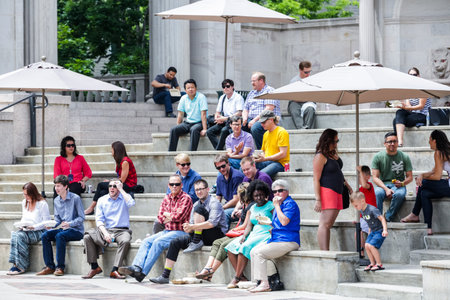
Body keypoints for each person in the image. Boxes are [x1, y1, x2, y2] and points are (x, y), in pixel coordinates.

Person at [149, 179, 228, 284]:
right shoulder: (195, 204)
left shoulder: (214, 203)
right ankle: (165, 276)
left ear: (208, 189)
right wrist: (187, 227)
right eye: (196, 190)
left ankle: (196, 241)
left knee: (200, 210)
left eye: (201, 189)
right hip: (200, 234)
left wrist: (192, 226)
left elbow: (212, 223)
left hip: (216, 234)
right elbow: (191, 223)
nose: (199, 192)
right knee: (175, 242)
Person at [118, 175, 193, 282]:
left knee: (158, 242)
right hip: (167, 231)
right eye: (172, 184)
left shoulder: (186, 198)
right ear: (169, 185)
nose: (174, 186)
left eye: (177, 184)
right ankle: (136, 267)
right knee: (146, 241)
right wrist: (170, 216)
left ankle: (142, 273)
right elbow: (161, 218)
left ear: (182, 185)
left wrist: (169, 215)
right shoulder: (167, 198)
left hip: (181, 232)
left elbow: (179, 216)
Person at [194, 182, 253, 281]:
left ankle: (211, 271)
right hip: (239, 232)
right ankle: (207, 269)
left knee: (224, 245)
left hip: (246, 233)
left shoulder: (251, 206)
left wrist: (233, 229)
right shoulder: (244, 205)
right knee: (216, 242)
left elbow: (245, 226)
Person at [249, 179, 300, 293]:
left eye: (280, 191)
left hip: (289, 241)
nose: (277, 194)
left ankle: (265, 284)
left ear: (286, 191)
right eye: (275, 192)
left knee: (259, 253)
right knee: (253, 251)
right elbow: (277, 224)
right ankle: (258, 282)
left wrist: (276, 206)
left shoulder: (289, 204)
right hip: (277, 239)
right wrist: (267, 222)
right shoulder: (278, 205)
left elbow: (284, 222)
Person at [225, 180, 274, 288]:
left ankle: (236, 278)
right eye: (256, 195)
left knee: (245, 247)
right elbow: (249, 225)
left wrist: (268, 223)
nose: (259, 198)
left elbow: (276, 222)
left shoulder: (271, 206)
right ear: (252, 195)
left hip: (265, 233)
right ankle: (242, 276)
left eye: (261, 195)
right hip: (254, 233)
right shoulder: (252, 207)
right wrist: (244, 236)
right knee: (230, 247)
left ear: (266, 194)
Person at [82, 179, 135, 279]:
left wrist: (122, 190)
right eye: (110, 186)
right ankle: (94, 267)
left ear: (119, 188)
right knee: (87, 237)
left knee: (125, 241)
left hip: (122, 230)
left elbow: (132, 203)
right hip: (107, 229)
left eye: (115, 186)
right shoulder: (102, 199)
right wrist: (105, 233)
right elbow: (99, 220)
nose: (112, 188)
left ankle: (115, 270)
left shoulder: (124, 198)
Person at [401, 130, 450, 235]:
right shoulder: (445, 151)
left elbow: (437, 176)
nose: (428, 142)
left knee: (425, 184)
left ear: (434, 140)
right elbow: (434, 171)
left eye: (429, 139)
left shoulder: (439, 153)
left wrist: (422, 179)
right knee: (425, 193)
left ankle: (415, 213)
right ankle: (429, 228)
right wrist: (422, 175)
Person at [36, 175, 85, 276]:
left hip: (76, 230)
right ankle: (49, 266)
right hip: (63, 229)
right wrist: (52, 226)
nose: (56, 188)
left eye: (59, 186)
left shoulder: (75, 198)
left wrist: (70, 224)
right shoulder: (56, 200)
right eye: (55, 186)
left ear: (66, 186)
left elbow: (81, 218)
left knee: (59, 236)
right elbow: (58, 220)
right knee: (45, 235)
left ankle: (60, 267)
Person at [313, 129, 352, 250]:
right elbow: (316, 179)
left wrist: (349, 188)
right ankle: (324, 252)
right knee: (325, 224)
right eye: (335, 141)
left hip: (338, 190)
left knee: (328, 224)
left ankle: (326, 251)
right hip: (328, 191)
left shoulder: (331, 153)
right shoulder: (320, 156)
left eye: (337, 141)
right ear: (328, 140)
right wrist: (318, 199)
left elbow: (338, 172)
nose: (336, 143)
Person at [152, 153, 202, 235]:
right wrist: (170, 214)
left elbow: (192, 197)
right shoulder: (175, 178)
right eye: (183, 164)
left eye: (188, 164)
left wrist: (170, 215)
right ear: (177, 165)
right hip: (174, 209)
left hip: (189, 209)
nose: (186, 166)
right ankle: (157, 238)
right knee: (158, 222)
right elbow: (169, 196)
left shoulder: (196, 177)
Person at [7, 182, 51, 275]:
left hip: (40, 231)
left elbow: (46, 222)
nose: (25, 197)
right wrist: (21, 225)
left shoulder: (42, 204)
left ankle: (21, 266)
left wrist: (33, 227)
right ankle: (15, 264)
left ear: (33, 193)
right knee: (14, 234)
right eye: (24, 194)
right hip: (27, 230)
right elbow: (24, 218)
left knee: (19, 236)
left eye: (27, 194)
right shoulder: (24, 202)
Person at [85, 141, 137, 215]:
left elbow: (122, 180)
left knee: (100, 185)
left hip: (129, 185)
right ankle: (106, 211)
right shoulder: (119, 161)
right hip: (122, 183)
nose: (110, 151)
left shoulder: (125, 161)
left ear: (116, 150)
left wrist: (110, 182)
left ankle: (91, 208)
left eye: (112, 149)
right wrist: (110, 181)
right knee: (103, 192)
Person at [372, 132, 413, 222]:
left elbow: (410, 177)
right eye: (390, 142)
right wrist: (386, 189)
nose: (392, 144)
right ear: (385, 143)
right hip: (382, 184)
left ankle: (387, 217)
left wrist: (402, 183)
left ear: (398, 143)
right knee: (377, 193)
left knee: (400, 194)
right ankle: (378, 219)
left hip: (399, 185)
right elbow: (375, 177)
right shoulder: (378, 157)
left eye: (395, 141)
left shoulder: (404, 157)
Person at [392, 67, 432, 147]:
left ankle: (398, 141)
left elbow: (421, 106)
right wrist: (402, 105)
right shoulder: (409, 89)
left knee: (396, 121)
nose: (412, 76)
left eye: (415, 74)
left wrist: (407, 108)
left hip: (423, 115)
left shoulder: (423, 87)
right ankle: (399, 141)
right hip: (413, 114)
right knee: (399, 112)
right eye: (410, 75)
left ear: (419, 76)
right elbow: (409, 106)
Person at [350, 192, 388, 272]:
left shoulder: (372, 209)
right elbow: (369, 222)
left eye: (356, 205)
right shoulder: (362, 211)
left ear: (362, 201)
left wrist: (385, 230)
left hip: (379, 231)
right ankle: (372, 263)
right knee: (366, 245)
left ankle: (379, 264)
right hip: (373, 231)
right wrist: (370, 231)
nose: (355, 208)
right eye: (354, 206)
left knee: (371, 246)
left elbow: (382, 219)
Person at [242, 72, 280, 150]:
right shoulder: (252, 93)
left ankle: (262, 150)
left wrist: (254, 120)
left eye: (254, 81)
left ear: (261, 81)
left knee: (255, 128)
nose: (252, 83)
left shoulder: (269, 91)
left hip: (267, 119)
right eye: (251, 81)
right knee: (237, 126)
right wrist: (244, 119)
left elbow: (268, 109)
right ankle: (243, 150)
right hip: (251, 119)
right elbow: (245, 109)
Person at [168, 79, 208, 151]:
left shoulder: (201, 97)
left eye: (192, 87)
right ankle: (171, 153)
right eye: (188, 88)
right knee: (174, 130)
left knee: (194, 129)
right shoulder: (183, 98)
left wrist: (205, 129)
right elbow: (180, 114)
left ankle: (191, 153)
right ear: (185, 90)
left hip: (199, 123)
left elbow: (203, 114)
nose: (190, 89)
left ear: (196, 88)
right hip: (188, 123)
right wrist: (178, 126)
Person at [207, 79, 244, 150]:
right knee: (209, 131)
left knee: (224, 130)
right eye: (223, 87)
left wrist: (225, 118)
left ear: (232, 86)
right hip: (223, 121)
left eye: (227, 86)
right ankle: (220, 150)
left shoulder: (238, 97)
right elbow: (217, 111)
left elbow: (239, 113)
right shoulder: (222, 97)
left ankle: (218, 151)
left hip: (233, 121)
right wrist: (217, 118)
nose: (225, 88)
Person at [254, 110, 290, 178]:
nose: (262, 124)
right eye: (261, 122)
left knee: (261, 175)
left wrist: (265, 158)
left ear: (271, 120)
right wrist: (258, 158)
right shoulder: (265, 134)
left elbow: (283, 154)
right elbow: (264, 152)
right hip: (267, 161)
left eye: (264, 122)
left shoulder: (282, 132)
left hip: (280, 164)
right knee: (246, 168)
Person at [214, 154, 245, 226]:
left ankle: (224, 235)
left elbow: (236, 200)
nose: (221, 169)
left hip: (239, 206)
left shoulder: (236, 176)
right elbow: (218, 197)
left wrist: (221, 208)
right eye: (218, 168)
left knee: (224, 214)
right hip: (228, 205)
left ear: (228, 163)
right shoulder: (219, 178)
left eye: (223, 166)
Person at [288, 61, 316, 129]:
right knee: (294, 109)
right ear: (300, 70)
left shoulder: (312, 80)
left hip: (308, 102)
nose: (308, 74)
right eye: (306, 72)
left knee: (310, 109)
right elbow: (292, 96)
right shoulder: (294, 81)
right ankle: (301, 128)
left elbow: (314, 95)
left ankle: (307, 129)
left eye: (309, 71)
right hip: (295, 102)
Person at [356, 165, 377, 255]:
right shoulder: (360, 190)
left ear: (368, 177)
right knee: (357, 233)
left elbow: (364, 184)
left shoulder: (369, 186)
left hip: (371, 215)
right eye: (359, 177)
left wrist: (360, 170)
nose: (360, 178)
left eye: (361, 176)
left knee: (370, 233)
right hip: (363, 216)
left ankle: (372, 252)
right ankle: (361, 252)